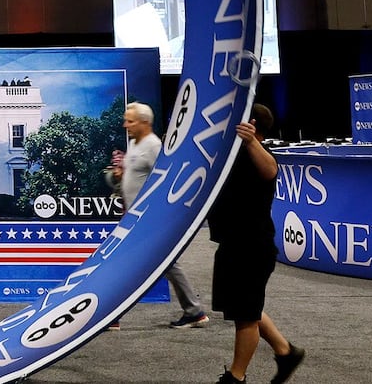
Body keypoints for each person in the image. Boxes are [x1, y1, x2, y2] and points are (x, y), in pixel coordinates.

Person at [207, 103, 306, 384]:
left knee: (246, 315)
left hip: (251, 246)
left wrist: (250, 140)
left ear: (251, 125)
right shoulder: (234, 153)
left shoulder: (257, 153)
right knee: (246, 306)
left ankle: (236, 377)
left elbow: (271, 170)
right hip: (232, 243)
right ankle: (286, 353)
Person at [105, 102, 209, 329]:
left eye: (130, 121)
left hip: (146, 221)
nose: (125, 125)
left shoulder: (153, 147)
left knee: (125, 264)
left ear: (145, 122)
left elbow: (165, 183)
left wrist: (157, 216)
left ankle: (111, 317)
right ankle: (194, 311)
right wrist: (120, 176)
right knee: (166, 264)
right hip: (134, 218)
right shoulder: (134, 143)